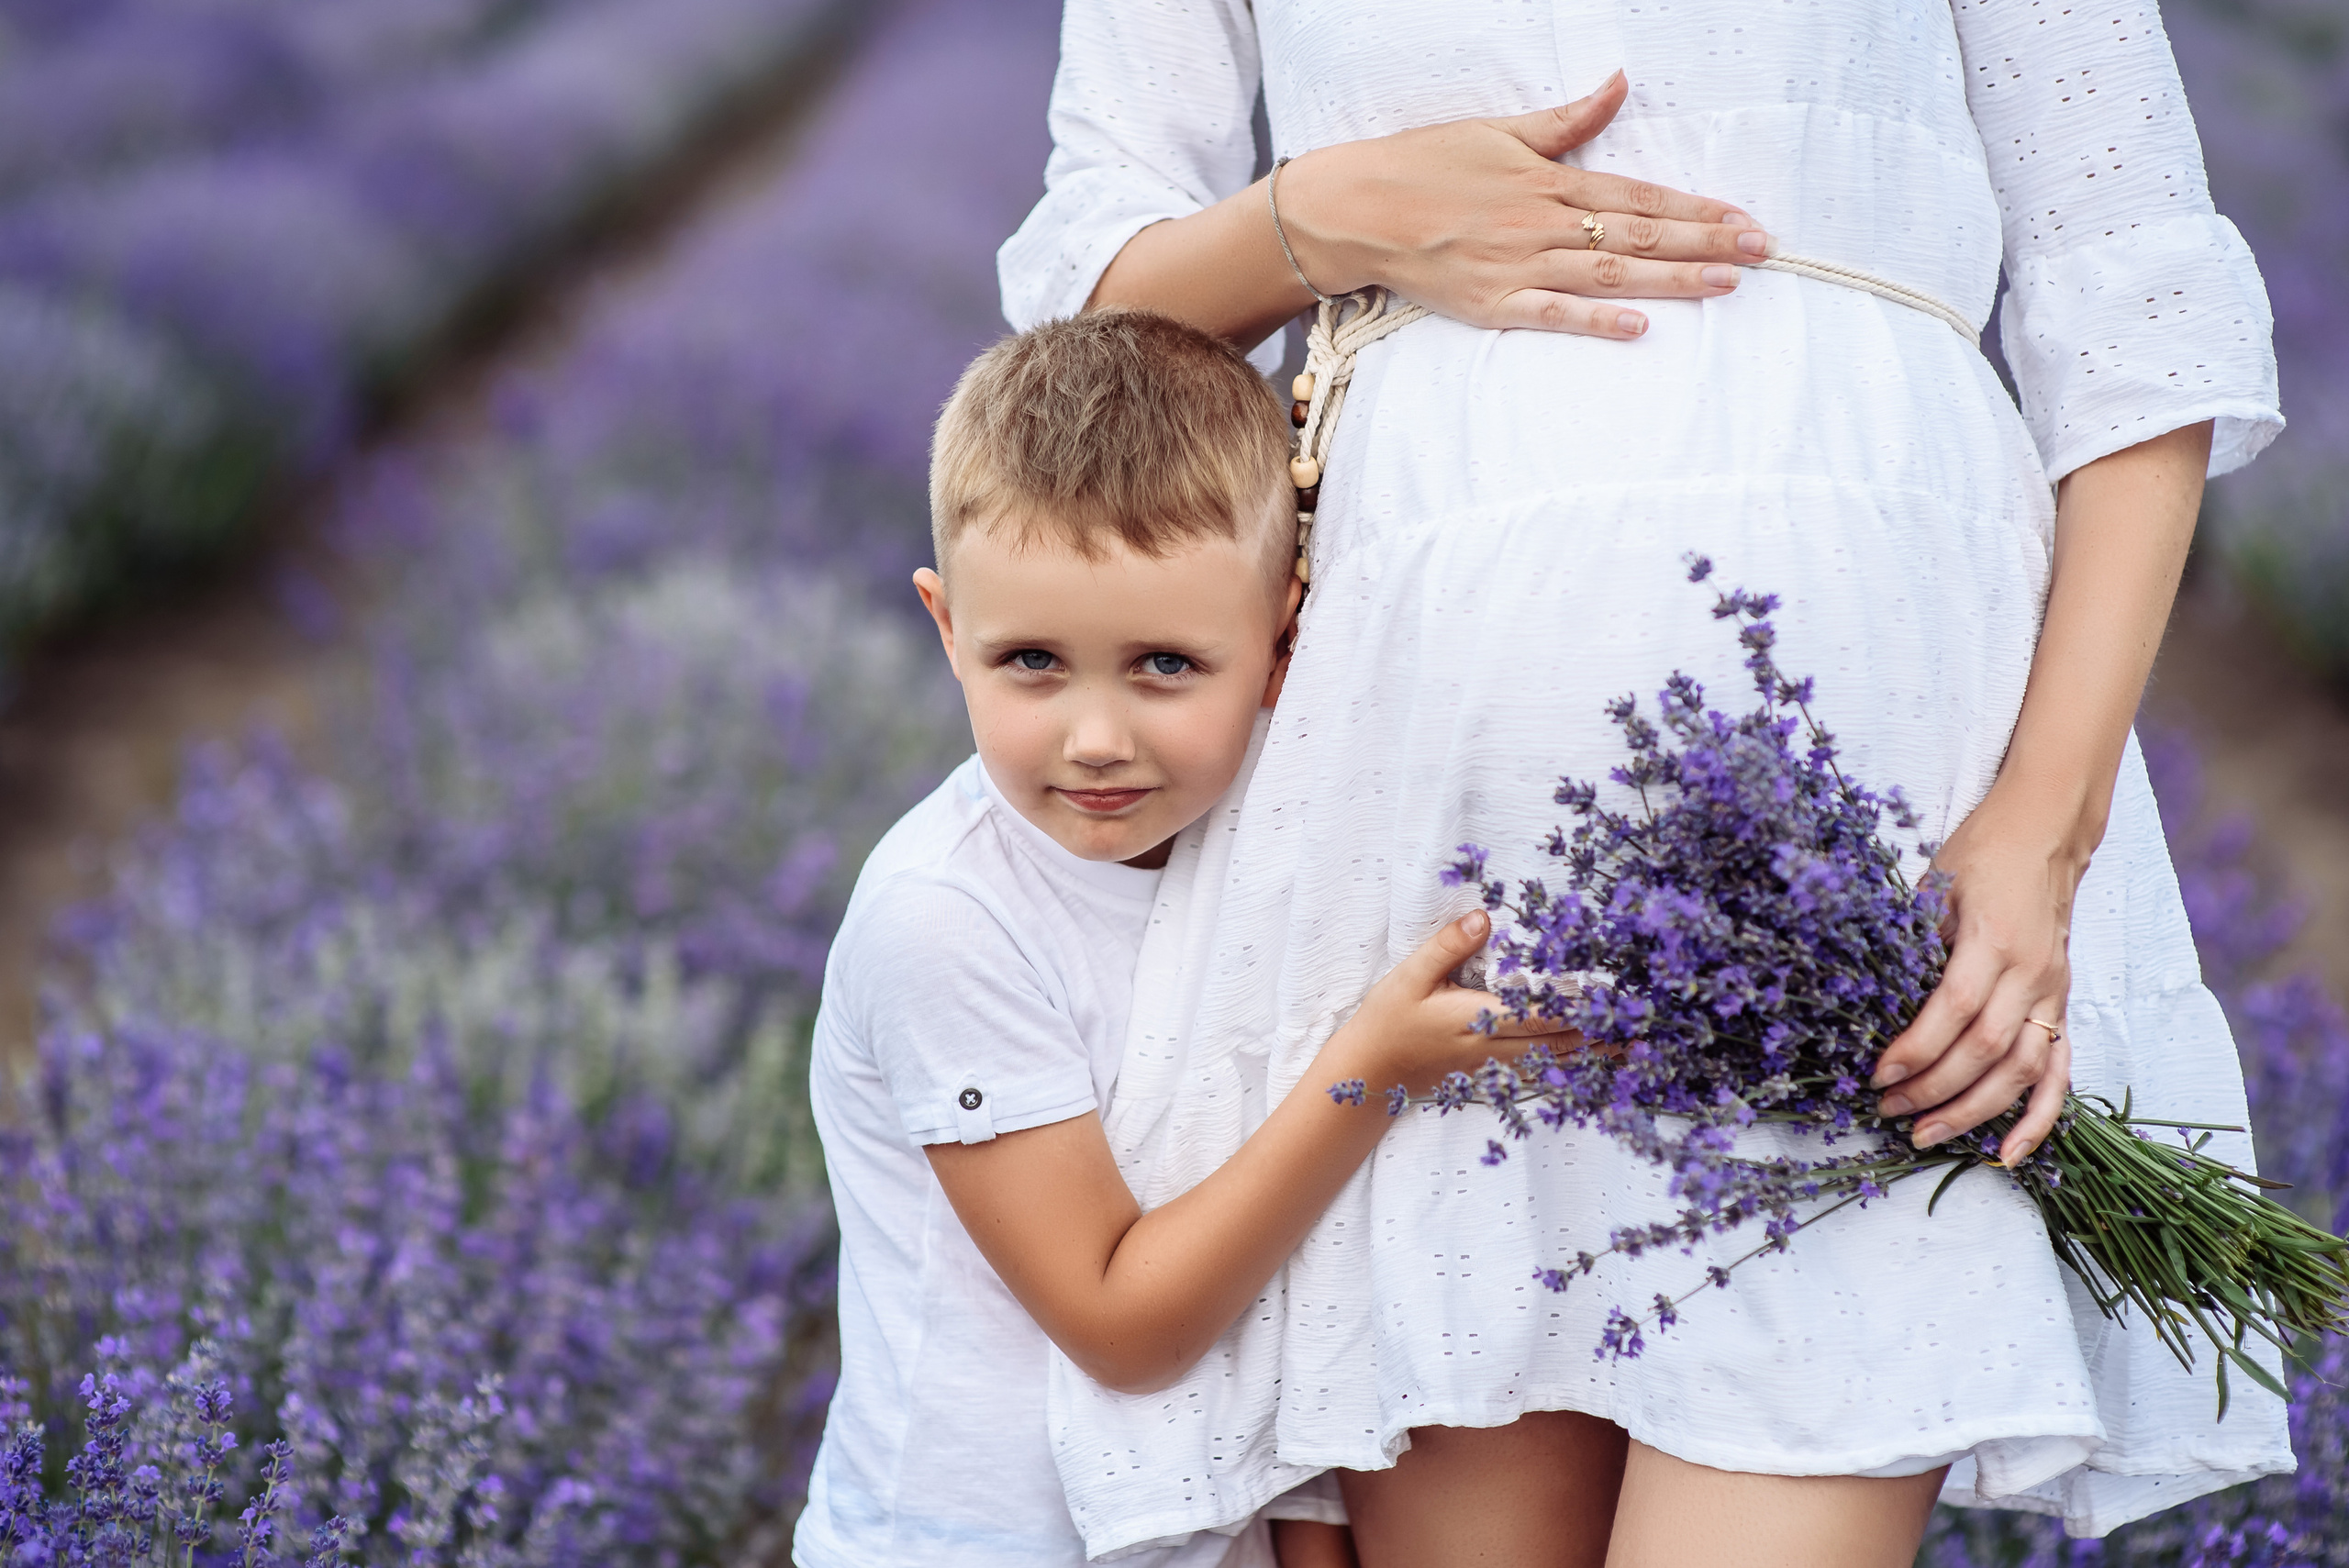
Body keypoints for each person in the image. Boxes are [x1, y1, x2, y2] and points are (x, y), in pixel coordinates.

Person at [999, 7, 2290, 1567]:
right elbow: (1084, 290)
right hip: (1422, 815)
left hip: (1877, 800)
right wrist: (1319, 215)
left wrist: (2047, 823)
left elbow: (2136, 292)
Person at [793, 309, 1577, 1568]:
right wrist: (1372, 1065)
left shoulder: (1271, 851)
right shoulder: (948, 919)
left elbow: (1301, 1269)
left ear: (1283, 636)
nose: (1096, 736)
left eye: (1164, 664)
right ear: (947, 629)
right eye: (1032, 662)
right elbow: (1124, 1322)